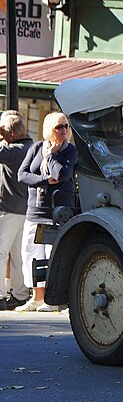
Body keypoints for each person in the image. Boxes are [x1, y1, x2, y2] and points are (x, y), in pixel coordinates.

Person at [15, 112, 77, 312]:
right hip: (35, 210)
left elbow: (61, 175)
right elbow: (22, 174)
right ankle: (37, 296)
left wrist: (51, 156)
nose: (64, 130)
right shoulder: (36, 147)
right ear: (49, 129)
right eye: (59, 127)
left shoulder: (69, 151)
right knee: (31, 254)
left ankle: (55, 299)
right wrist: (43, 180)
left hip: (57, 211)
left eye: (66, 126)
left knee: (54, 255)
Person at [0, 111, 33, 310]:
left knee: (1, 252)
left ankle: (1, 295)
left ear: (11, 132)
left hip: (8, 208)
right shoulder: (31, 147)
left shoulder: (14, 151)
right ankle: (20, 293)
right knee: (18, 253)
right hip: (25, 209)